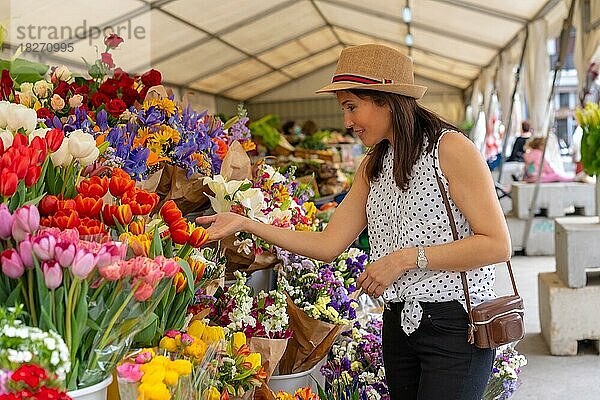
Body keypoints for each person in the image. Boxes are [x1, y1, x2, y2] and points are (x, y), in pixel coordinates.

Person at [197, 44, 510, 400]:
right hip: (399, 324)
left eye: (351, 106)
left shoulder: (450, 149)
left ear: (386, 100)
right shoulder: (374, 164)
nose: (346, 122)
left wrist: (405, 258)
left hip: (455, 325)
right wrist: (246, 223)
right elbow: (328, 244)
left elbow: (497, 244)